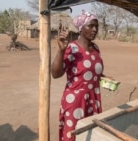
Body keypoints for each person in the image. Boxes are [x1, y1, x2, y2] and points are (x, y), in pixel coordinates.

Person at [51, 11, 105, 141]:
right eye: (91, 26)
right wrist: (61, 50)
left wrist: (104, 77)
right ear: (81, 28)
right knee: (73, 135)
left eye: (96, 26)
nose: (94, 29)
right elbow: (56, 74)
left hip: (93, 98)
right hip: (75, 100)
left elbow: (92, 71)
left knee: (90, 134)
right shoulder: (72, 48)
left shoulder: (96, 48)